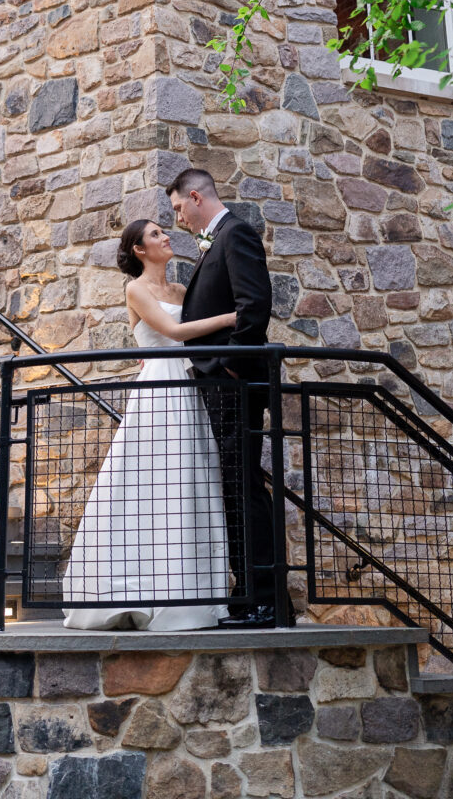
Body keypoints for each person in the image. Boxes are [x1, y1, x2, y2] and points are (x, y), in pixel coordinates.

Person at [62, 217, 236, 631]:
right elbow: (174, 331)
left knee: (190, 480)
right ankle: (134, 586)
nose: (165, 236)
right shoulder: (135, 289)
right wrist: (231, 318)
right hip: (159, 390)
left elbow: (192, 335)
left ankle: (191, 594)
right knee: (150, 479)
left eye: (164, 230)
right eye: (156, 234)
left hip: (188, 390)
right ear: (140, 249)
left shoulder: (179, 290)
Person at [167, 167, 277, 628]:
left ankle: (262, 597)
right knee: (235, 485)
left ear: (196, 197)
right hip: (220, 382)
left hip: (234, 382)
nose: (179, 220)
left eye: (178, 209)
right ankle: (246, 591)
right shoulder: (217, 240)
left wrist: (230, 364)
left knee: (243, 485)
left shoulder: (235, 234)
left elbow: (254, 305)